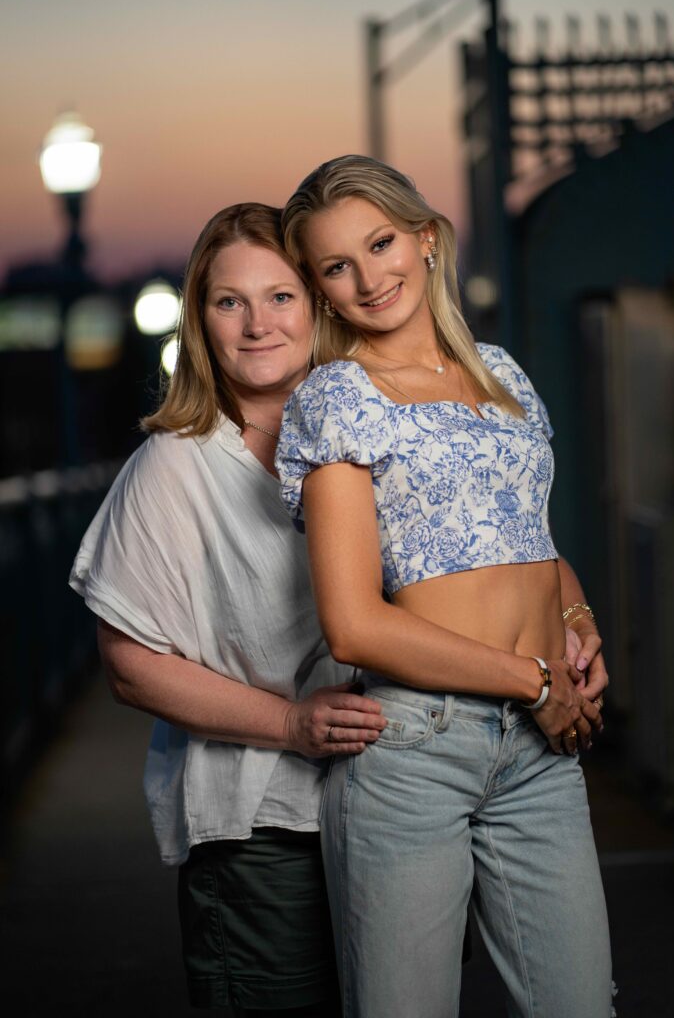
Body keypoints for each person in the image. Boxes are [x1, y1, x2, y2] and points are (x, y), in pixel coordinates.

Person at [276, 155, 614, 1018]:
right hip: (416, 752)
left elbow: (528, 543)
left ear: (425, 240)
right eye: (335, 266)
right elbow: (352, 627)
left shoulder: (501, 376)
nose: (367, 277)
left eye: (380, 242)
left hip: (541, 756)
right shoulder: (336, 398)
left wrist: (574, 622)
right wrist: (532, 681)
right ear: (319, 289)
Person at [69, 203, 389, 1018]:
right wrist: (290, 726)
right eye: (228, 302)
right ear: (200, 319)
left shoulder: (375, 438)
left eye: (279, 297)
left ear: (317, 306)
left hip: (391, 806)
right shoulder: (173, 465)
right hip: (262, 831)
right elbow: (130, 667)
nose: (256, 326)